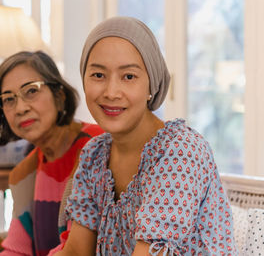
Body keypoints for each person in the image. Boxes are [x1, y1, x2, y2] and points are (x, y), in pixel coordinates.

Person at [54, 17, 237, 255]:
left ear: (151, 84)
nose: (111, 92)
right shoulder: (94, 155)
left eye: (128, 76)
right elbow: (77, 252)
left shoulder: (181, 151)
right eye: (98, 75)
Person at [0, 50, 104, 256]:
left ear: (59, 95)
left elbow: (77, 250)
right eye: (9, 99)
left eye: (31, 91)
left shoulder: (97, 147)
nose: (20, 108)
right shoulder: (23, 174)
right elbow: (17, 249)